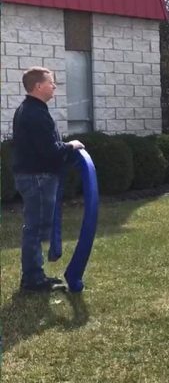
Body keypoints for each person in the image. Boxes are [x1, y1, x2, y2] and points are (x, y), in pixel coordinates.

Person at [12, 67, 85, 292]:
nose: (54, 87)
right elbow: (49, 151)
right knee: (35, 229)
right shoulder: (34, 113)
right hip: (38, 178)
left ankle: (35, 276)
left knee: (34, 227)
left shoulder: (32, 110)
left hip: (34, 176)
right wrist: (71, 145)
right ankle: (33, 280)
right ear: (38, 86)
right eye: (51, 82)